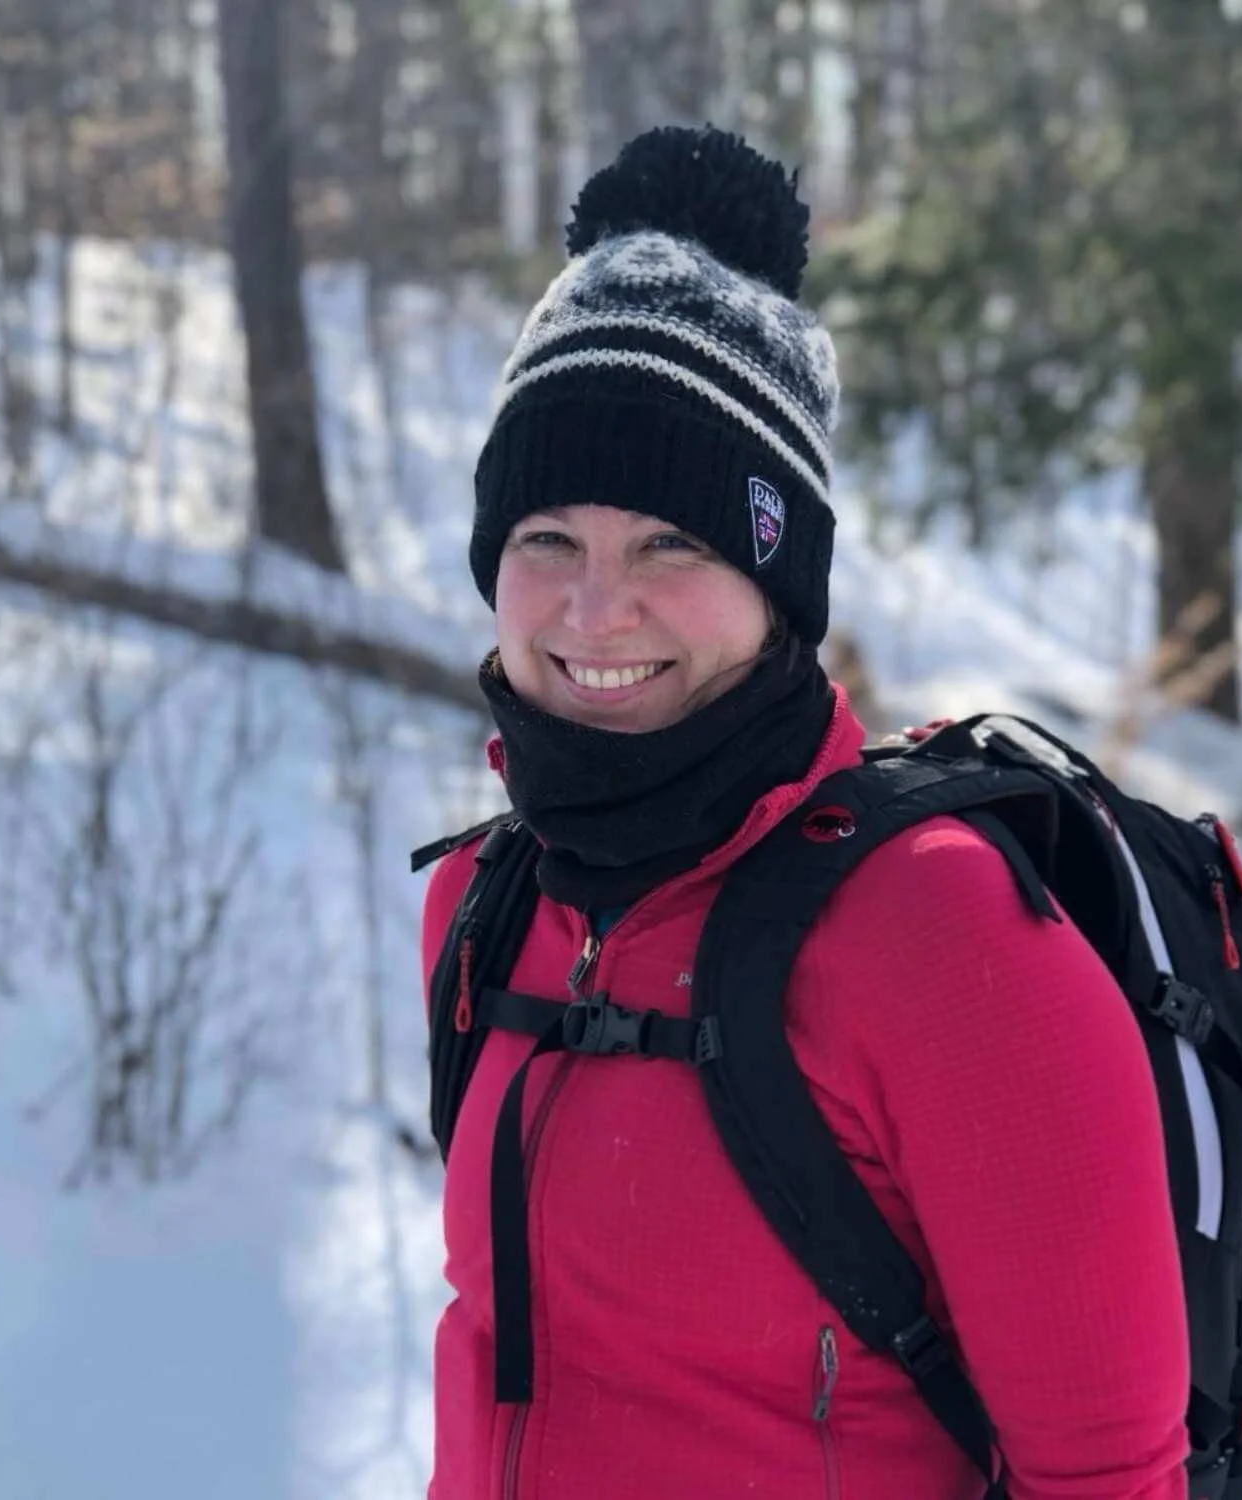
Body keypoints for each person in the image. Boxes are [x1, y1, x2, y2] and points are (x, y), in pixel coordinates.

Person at [420, 125, 1190, 1500]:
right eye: (548, 540)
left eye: (676, 541)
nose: (598, 609)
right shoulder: (484, 904)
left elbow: (1109, 1479)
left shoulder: (950, 937)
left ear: (784, 584)